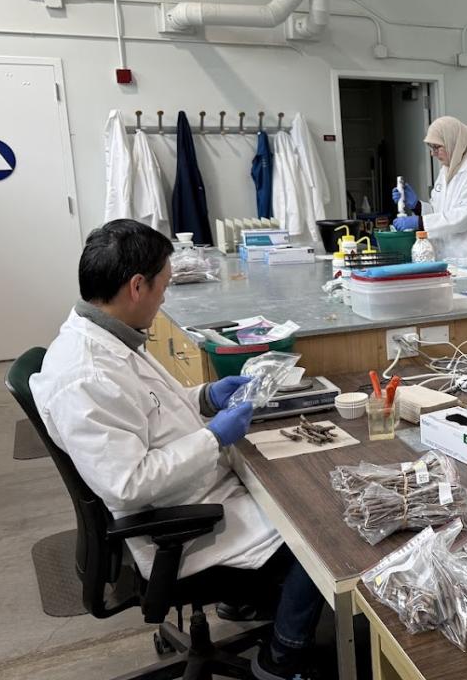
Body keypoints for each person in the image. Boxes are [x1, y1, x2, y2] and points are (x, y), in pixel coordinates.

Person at [31, 219, 325, 680]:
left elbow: (151, 412)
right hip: (175, 527)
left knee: (296, 496)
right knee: (319, 532)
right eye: (163, 286)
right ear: (136, 286)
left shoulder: (110, 336)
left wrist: (206, 397)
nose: (165, 296)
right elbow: (129, 484)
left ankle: (245, 600)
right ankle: (281, 660)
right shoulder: (84, 374)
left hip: (189, 495)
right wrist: (214, 437)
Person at [391, 116, 467, 276]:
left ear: (453, 142)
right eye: (431, 148)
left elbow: (466, 216)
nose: (433, 153)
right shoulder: (446, 171)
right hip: (450, 261)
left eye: (437, 147)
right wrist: (417, 206)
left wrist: (420, 222)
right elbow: (440, 213)